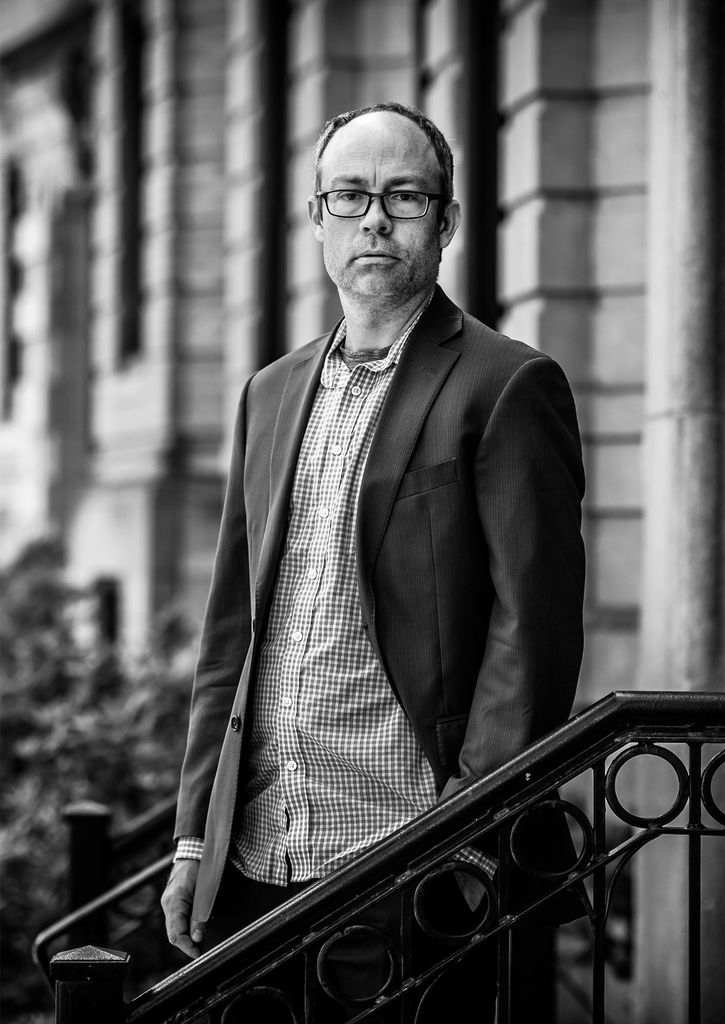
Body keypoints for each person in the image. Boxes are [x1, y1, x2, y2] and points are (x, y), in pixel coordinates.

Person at [161, 101, 585, 1020]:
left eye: (405, 196)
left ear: (447, 221)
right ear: (318, 217)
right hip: (256, 866)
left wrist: (465, 844)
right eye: (349, 196)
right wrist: (196, 836)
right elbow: (229, 630)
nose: (375, 220)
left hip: (404, 868)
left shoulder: (506, 384)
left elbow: (534, 632)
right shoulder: (268, 393)